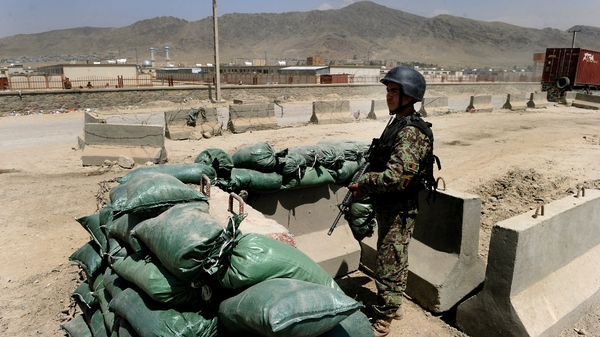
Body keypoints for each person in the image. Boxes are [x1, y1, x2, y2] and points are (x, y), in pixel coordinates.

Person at [348, 66, 434, 337]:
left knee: (390, 259)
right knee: (392, 256)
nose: (389, 96)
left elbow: (396, 177)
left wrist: (364, 184)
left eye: (394, 91)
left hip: (400, 207)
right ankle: (392, 303)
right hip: (390, 204)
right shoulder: (397, 123)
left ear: (409, 95)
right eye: (387, 91)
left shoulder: (410, 132)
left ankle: (386, 314)